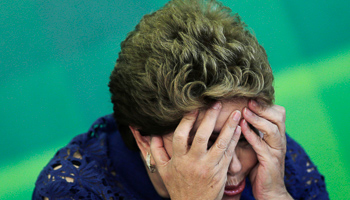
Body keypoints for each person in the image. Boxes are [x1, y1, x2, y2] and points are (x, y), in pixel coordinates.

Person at [33, 0, 329, 199]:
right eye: (210, 142)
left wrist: (276, 195)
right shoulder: (72, 190)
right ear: (145, 139)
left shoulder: (271, 157)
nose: (236, 166)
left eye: (243, 140)